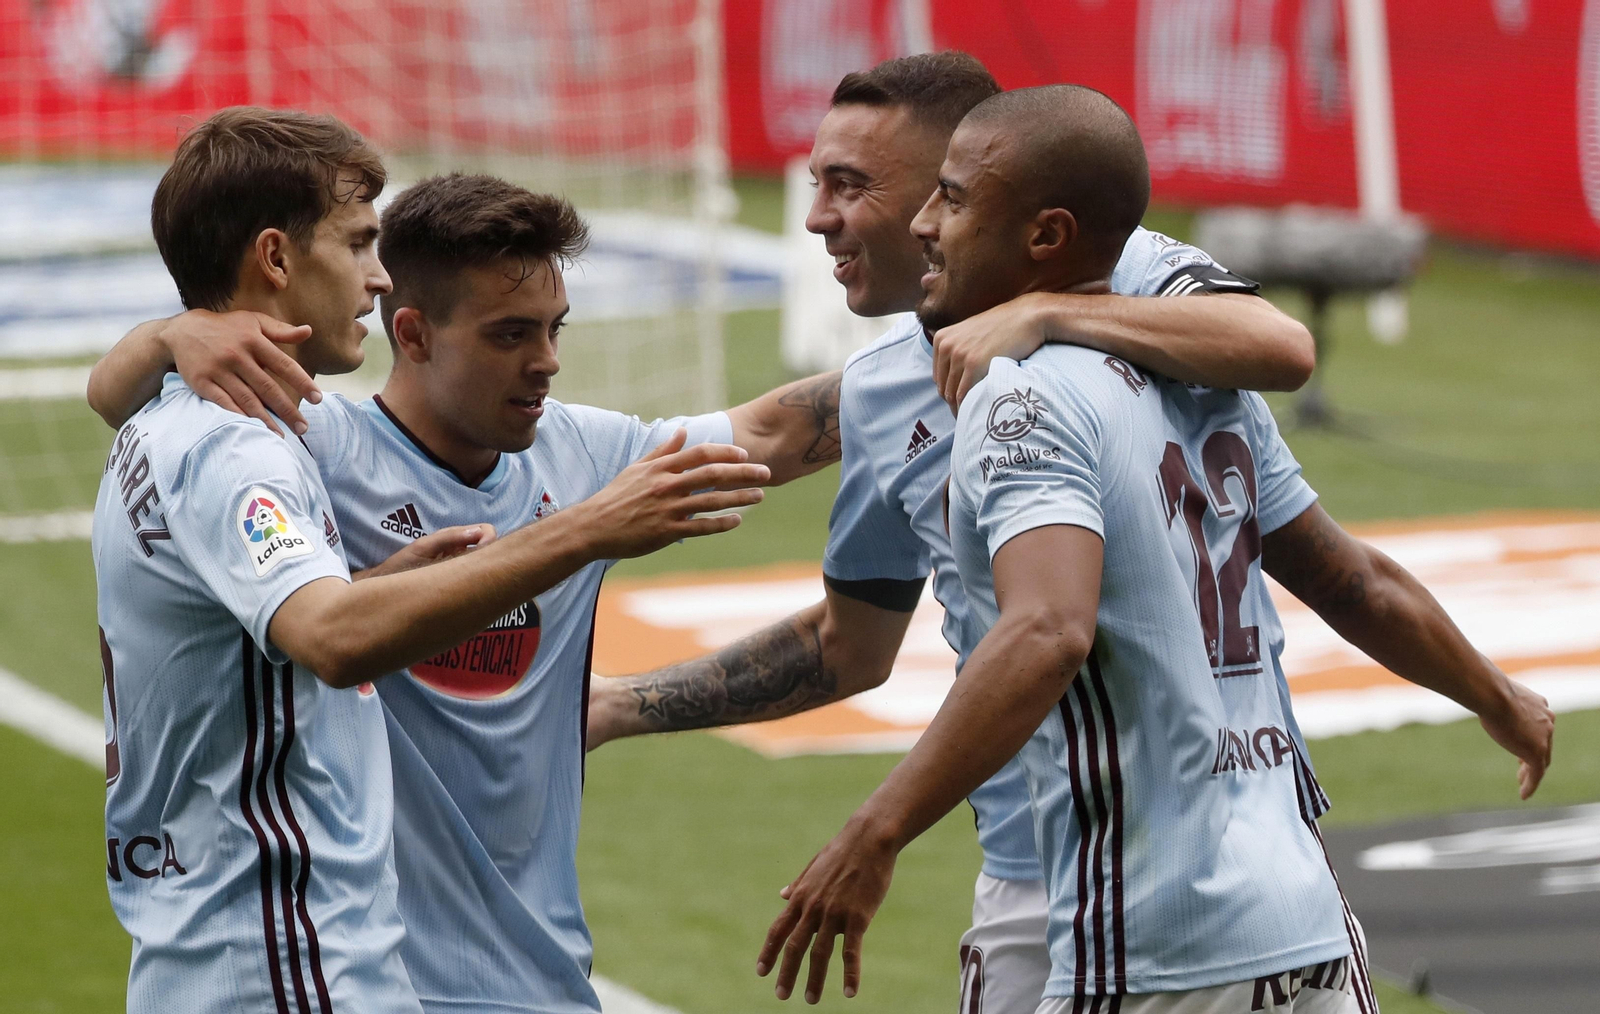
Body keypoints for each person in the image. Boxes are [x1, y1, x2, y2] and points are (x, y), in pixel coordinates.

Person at [759, 84, 1554, 1013]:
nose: (928, 225)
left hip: (1150, 935)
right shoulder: (1206, 383)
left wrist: (873, 833)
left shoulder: (1020, 400)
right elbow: (1354, 578)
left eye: (955, 198)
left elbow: (1048, 632)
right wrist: (1494, 695)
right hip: (1304, 921)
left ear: (1046, 237)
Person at [584, 52, 1316, 1014]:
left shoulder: (1134, 283)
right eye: (816, 183)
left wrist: (876, 830)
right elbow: (844, 641)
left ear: (962, 191)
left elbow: (1282, 349)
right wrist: (617, 704)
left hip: (1200, 864)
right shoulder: (891, 389)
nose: (815, 218)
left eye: (850, 185)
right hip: (1062, 874)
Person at [88, 161, 871, 1010]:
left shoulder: (585, 456)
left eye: (554, 330)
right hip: (350, 973)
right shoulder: (309, 447)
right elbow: (143, 414)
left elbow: (774, 431)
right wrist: (170, 336)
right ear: (415, 335)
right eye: (509, 335)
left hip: (539, 979)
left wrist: (954, 344)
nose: (546, 364)